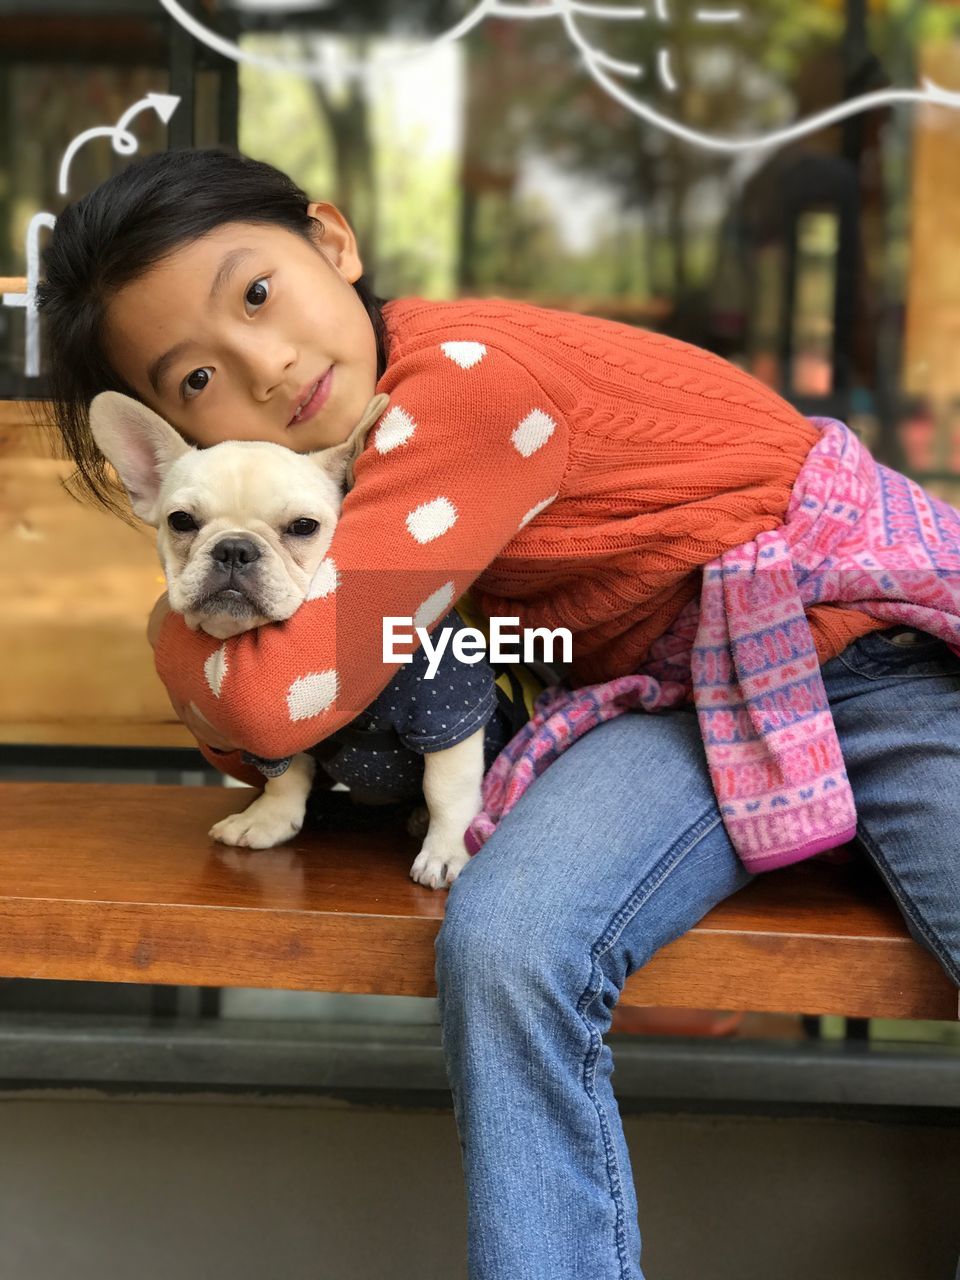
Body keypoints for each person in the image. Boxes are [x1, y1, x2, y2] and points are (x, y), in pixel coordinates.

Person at [37, 146, 960, 1280]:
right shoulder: (343, 468)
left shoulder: (468, 388)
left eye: (259, 294)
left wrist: (171, 622)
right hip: (680, 696)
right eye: (194, 379)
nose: (265, 365)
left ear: (333, 242)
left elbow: (285, 698)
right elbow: (285, 704)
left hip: (877, 652)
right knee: (510, 941)